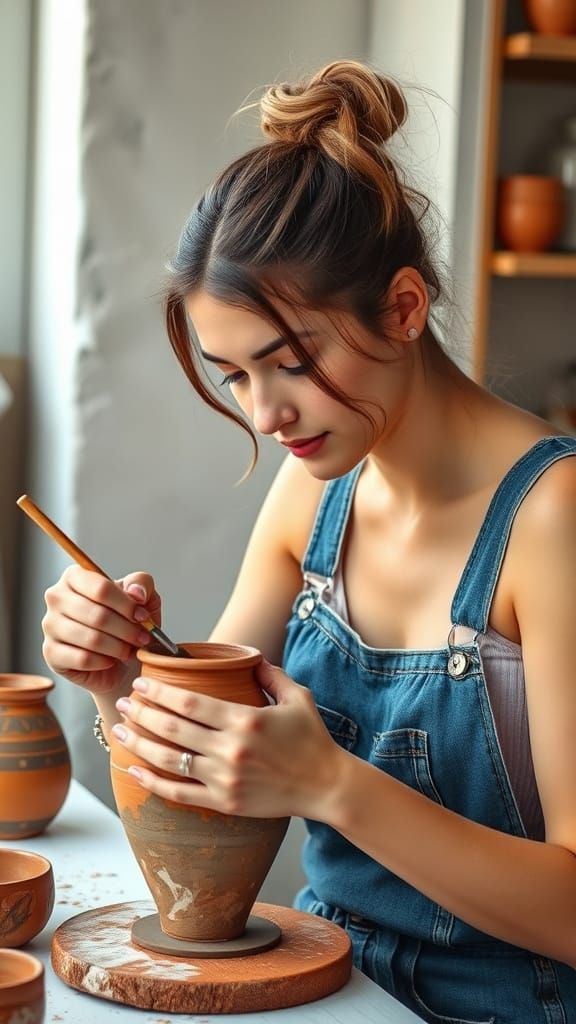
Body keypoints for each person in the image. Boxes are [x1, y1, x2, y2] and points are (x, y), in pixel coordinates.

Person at [41, 60, 576, 1021]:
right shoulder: (311, 492)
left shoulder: (554, 515)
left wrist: (332, 783)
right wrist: (119, 677)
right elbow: (220, 774)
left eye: (291, 362)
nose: (267, 411)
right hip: (333, 991)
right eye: (235, 376)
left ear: (405, 308)